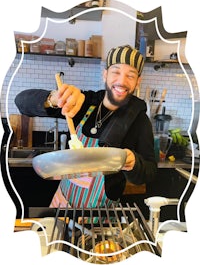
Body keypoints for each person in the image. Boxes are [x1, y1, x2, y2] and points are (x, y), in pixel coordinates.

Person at [15, 45, 157, 209]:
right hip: (63, 204)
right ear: (105, 74)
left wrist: (134, 163)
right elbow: (21, 102)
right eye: (116, 72)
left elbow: (150, 172)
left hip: (102, 214)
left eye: (130, 76)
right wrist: (53, 98)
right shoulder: (83, 103)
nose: (122, 81)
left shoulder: (139, 122)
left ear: (137, 82)